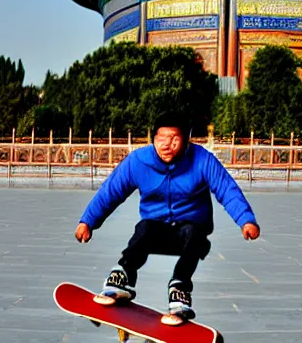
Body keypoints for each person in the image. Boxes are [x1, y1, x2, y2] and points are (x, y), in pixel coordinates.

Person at [74, 112, 260, 322]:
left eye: (174, 139)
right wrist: (87, 221)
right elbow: (111, 192)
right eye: (161, 139)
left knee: (194, 233)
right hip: (156, 231)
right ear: (153, 138)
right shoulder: (138, 161)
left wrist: (246, 220)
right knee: (144, 229)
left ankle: (179, 290)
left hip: (189, 232)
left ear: (187, 140)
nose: (166, 145)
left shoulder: (202, 160)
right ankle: (123, 275)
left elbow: (227, 190)